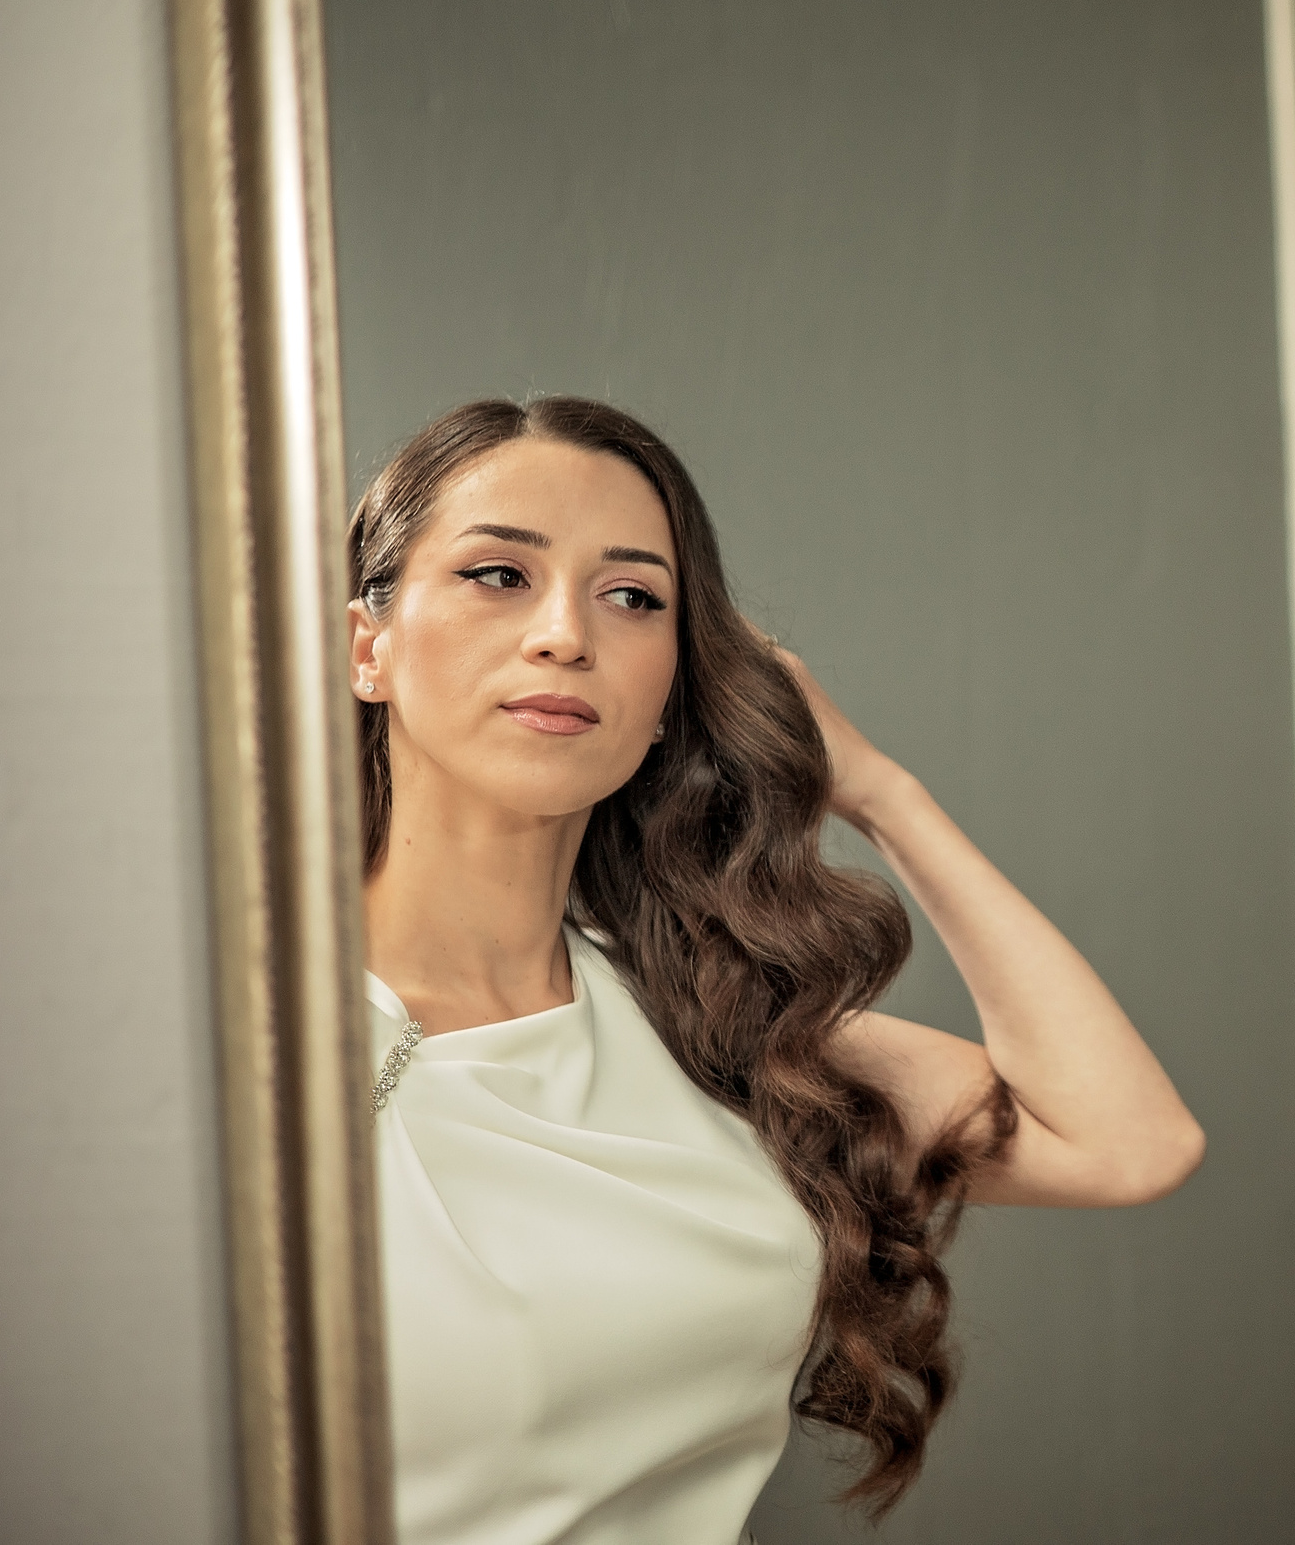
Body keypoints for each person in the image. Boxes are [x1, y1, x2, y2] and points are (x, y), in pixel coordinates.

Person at [347, 396, 1205, 1544]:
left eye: (632, 597)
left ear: (671, 696)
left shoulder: (708, 1034)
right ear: (367, 646)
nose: (564, 634)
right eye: (498, 575)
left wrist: (882, 793)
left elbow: (1129, 1143)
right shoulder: (254, 1040)